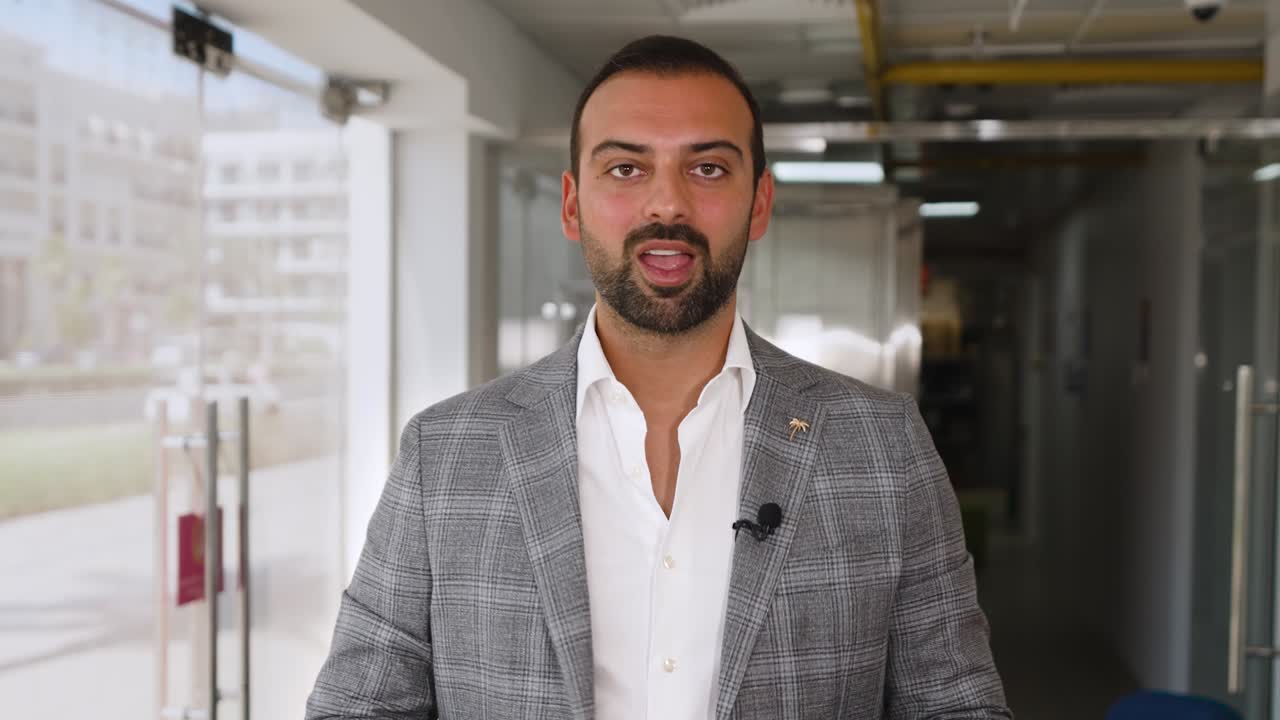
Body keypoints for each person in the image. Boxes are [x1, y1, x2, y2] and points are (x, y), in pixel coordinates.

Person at [306, 35, 1010, 720]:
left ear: (759, 203)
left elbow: (956, 705)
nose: (667, 205)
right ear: (572, 205)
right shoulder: (446, 453)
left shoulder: (884, 447)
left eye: (708, 169)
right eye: (625, 169)